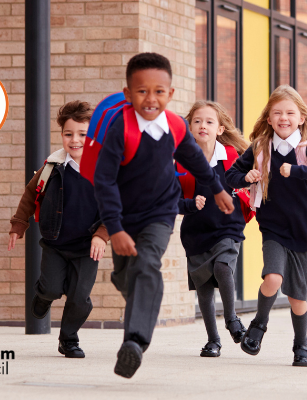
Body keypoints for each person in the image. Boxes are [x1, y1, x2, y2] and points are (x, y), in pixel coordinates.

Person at [92, 52, 235, 379]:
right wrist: (114, 228)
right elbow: (104, 181)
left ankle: (135, 342)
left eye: (159, 91)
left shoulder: (174, 126)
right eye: (142, 91)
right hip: (124, 217)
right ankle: (133, 294)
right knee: (125, 276)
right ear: (128, 94)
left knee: (147, 265)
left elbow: (196, 161)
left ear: (170, 94)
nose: (151, 98)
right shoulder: (119, 129)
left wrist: (217, 188)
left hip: (160, 213)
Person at [225, 85, 307, 368]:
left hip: (305, 232)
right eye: (277, 113)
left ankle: (301, 347)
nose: (283, 118)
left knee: (297, 297)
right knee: (273, 278)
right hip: (274, 230)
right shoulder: (260, 148)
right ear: (268, 118)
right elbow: (231, 175)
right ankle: (258, 326)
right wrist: (247, 177)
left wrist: (298, 171)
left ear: (301, 117)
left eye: (290, 113)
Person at [8, 100, 108, 358]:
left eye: (83, 135)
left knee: (79, 298)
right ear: (62, 135)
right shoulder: (52, 167)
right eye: (68, 134)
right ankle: (43, 295)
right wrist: (19, 225)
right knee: (52, 287)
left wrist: (101, 235)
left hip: (87, 248)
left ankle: (69, 340)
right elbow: (31, 193)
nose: (75, 140)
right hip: (55, 243)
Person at [177, 101, 251, 357]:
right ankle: (213, 341)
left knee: (222, 267)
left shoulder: (232, 156)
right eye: (197, 121)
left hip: (228, 227)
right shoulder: (181, 160)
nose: (203, 126)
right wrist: (188, 204)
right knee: (204, 288)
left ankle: (232, 319)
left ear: (220, 129)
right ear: (189, 127)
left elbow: (248, 186)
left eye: (209, 121)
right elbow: (169, 198)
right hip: (196, 230)